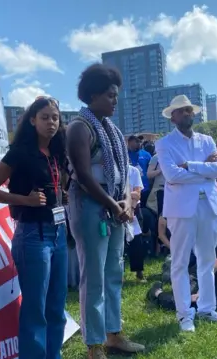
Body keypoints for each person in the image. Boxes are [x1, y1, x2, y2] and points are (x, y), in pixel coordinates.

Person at [66, 63, 145, 359]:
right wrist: (114, 204)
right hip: (89, 207)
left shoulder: (112, 129)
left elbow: (124, 173)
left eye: (116, 95)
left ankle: (114, 334)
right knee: (93, 277)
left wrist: (126, 201)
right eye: (110, 95)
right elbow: (84, 176)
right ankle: (94, 345)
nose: (115, 100)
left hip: (114, 209)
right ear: (94, 94)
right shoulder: (78, 128)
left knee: (114, 272)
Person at [0, 97, 67, 359]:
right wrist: (25, 200)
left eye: (55, 117)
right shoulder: (20, 151)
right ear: (32, 120)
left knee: (56, 307)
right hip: (33, 235)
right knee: (35, 310)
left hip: (59, 233)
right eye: (45, 117)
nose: (51, 122)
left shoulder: (57, 152)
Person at [155, 94, 217, 332]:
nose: (187, 114)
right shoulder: (164, 143)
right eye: (181, 111)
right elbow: (172, 175)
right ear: (173, 117)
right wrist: (205, 170)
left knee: (207, 259)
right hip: (181, 208)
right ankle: (185, 314)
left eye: (189, 110)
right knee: (180, 262)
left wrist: (190, 165)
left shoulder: (207, 140)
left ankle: (207, 309)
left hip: (209, 204)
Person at [126, 165, 146, 281]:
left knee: (137, 241)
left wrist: (131, 210)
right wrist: (129, 193)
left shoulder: (133, 171)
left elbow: (137, 193)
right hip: (118, 206)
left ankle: (139, 272)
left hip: (134, 209)